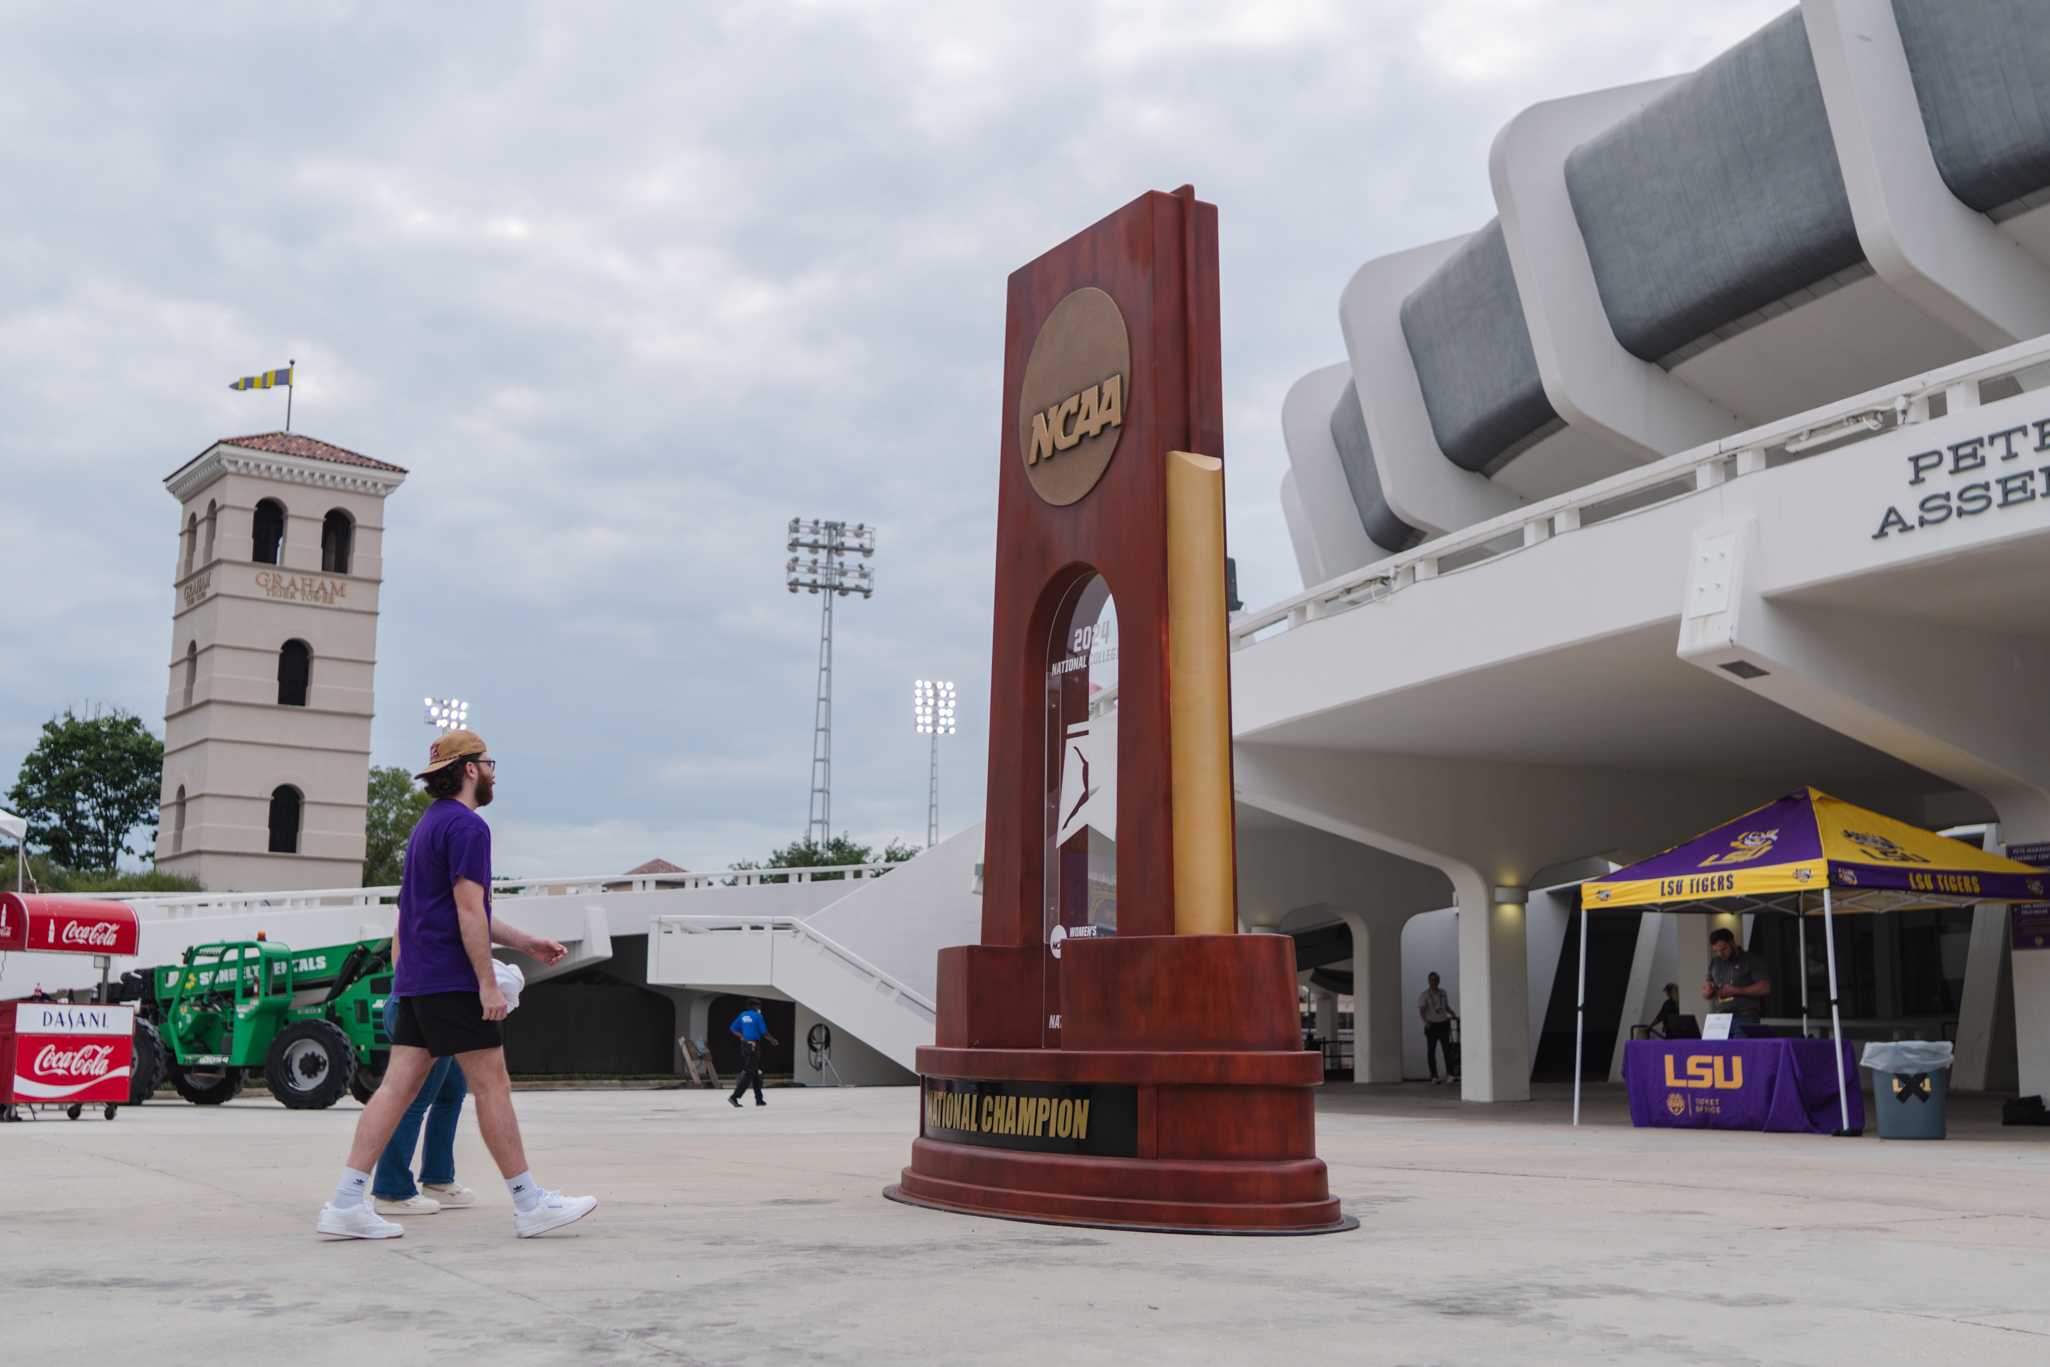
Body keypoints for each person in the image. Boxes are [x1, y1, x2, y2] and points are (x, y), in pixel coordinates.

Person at [315, 730, 597, 1240]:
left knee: (397, 1088)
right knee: (493, 1086)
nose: (492, 772)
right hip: (452, 980)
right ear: (469, 769)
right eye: (488, 763)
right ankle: (529, 1203)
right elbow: (469, 910)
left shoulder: (427, 827)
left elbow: (448, 911)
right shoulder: (469, 828)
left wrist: (526, 941)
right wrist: (487, 983)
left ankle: (346, 1200)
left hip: (419, 981)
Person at [370, 991, 472, 1215]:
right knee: (413, 1101)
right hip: (425, 1007)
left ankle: (438, 1180)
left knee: (451, 1092)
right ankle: (391, 1191)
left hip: (434, 1007)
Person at [1702, 927, 1771, 1034]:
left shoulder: (1750, 959)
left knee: (1741, 1050)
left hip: (1745, 1016)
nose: (1720, 954)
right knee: (1714, 1050)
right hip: (1719, 1018)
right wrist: (1708, 992)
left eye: (1724, 949)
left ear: (1732, 943)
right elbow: (1706, 990)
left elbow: (1765, 988)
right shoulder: (1715, 962)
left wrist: (1736, 990)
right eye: (1716, 951)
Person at [728, 998, 779, 1108]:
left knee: (754, 1072)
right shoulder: (758, 1016)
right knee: (749, 1072)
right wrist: (772, 1040)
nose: (760, 1008)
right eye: (758, 1006)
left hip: (745, 1045)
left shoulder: (743, 1015)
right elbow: (764, 1032)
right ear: (755, 1006)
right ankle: (734, 1097)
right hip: (753, 1046)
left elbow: (732, 1028)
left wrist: (741, 1036)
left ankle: (759, 1099)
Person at [1418, 972, 1457, 1085]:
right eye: (1432, 980)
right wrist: (1425, 1022)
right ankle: (1434, 1076)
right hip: (1432, 1025)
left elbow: (1446, 1006)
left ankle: (1450, 1074)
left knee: (1447, 1050)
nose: (1434, 982)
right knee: (1431, 1051)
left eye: (1436, 979)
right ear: (1428, 981)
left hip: (1443, 1024)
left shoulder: (1443, 993)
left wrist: (1451, 1012)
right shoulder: (1424, 995)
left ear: (1439, 981)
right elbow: (1421, 1010)